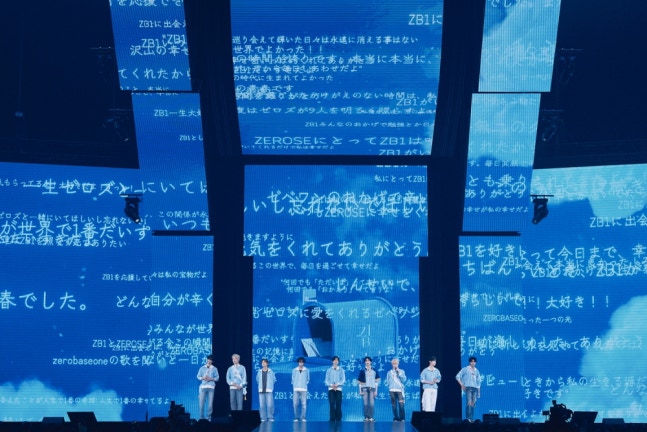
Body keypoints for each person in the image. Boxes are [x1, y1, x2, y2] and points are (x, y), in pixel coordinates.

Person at [455, 356, 482, 422]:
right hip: (468, 388)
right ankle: (468, 418)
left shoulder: (477, 371)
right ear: (469, 362)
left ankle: (471, 418)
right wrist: (462, 385)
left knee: (473, 403)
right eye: (472, 361)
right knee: (469, 402)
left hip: (475, 389)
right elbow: (457, 376)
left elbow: (478, 382)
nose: (473, 363)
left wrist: (479, 392)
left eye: (474, 361)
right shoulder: (466, 369)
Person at [196, 354, 219, 421]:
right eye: (208, 359)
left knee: (210, 404)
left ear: (212, 361)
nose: (209, 361)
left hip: (211, 387)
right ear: (207, 359)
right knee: (201, 403)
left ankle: (209, 418)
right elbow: (198, 376)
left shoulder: (214, 369)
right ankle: (201, 418)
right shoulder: (202, 368)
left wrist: (210, 378)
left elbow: (217, 378)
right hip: (203, 387)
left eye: (211, 360)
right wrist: (203, 378)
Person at [357, 356, 380, 422]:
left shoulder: (374, 370)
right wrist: (360, 391)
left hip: (372, 388)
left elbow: (376, 382)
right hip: (364, 388)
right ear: (364, 362)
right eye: (366, 361)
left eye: (368, 360)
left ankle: (371, 417)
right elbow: (360, 382)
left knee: (372, 404)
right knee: (365, 404)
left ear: (371, 362)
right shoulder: (362, 371)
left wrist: (376, 391)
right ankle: (366, 417)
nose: (367, 362)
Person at [324, 355, 346, 422]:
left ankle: (338, 418)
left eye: (337, 360)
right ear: (332, 361)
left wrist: (337, 384)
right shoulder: (329, 370)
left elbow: (343, 379)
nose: (336, 361)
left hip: (339, 389)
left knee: (338, 403)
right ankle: (332, 418)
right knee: (332, 403)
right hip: (331, 389)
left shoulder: (341, 370)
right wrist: (331, 385)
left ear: (338, 361)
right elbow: (326, 380)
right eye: (334, 360)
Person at [291, 356, 310, 421]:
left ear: (303, 363)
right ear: (298, 363)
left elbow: (308, 379)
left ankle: (303, 417)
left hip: (304, 389)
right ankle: (296, 417)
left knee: (304, 404)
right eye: (299, 362)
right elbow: (293, 379)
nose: (301, 363)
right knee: (295, 404)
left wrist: (304, 384)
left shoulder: (307, 370)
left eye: (302, 362)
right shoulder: (294, 370)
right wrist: (295, 385)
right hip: (296, 389)